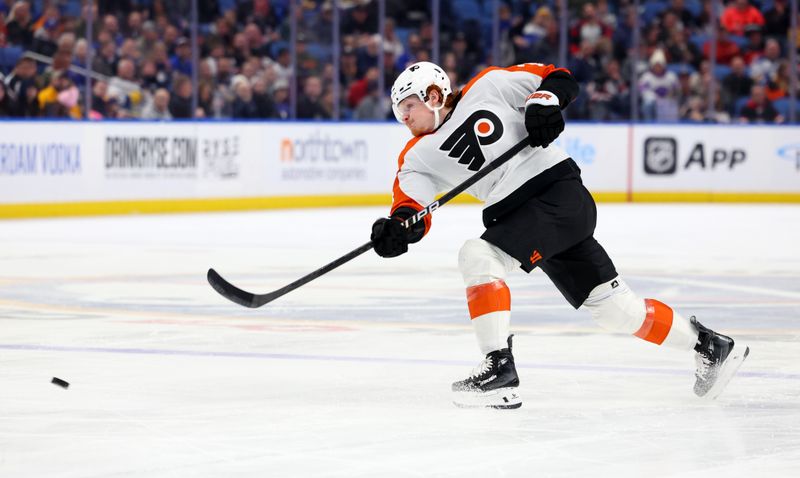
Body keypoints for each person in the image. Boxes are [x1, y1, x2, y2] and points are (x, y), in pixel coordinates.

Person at [371, 61, 749, 409]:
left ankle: (499, 369)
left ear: (433, 95)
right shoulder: (416, 156)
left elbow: (557, 76)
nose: (403, 117)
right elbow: (411, 209)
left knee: (479, 256)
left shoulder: (489, 85)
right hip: (529, 220)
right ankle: (710, 346)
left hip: (557, 195)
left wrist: (544, 102)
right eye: (398, 111)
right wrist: (397, 231)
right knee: (616, 310)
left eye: (407, 106)